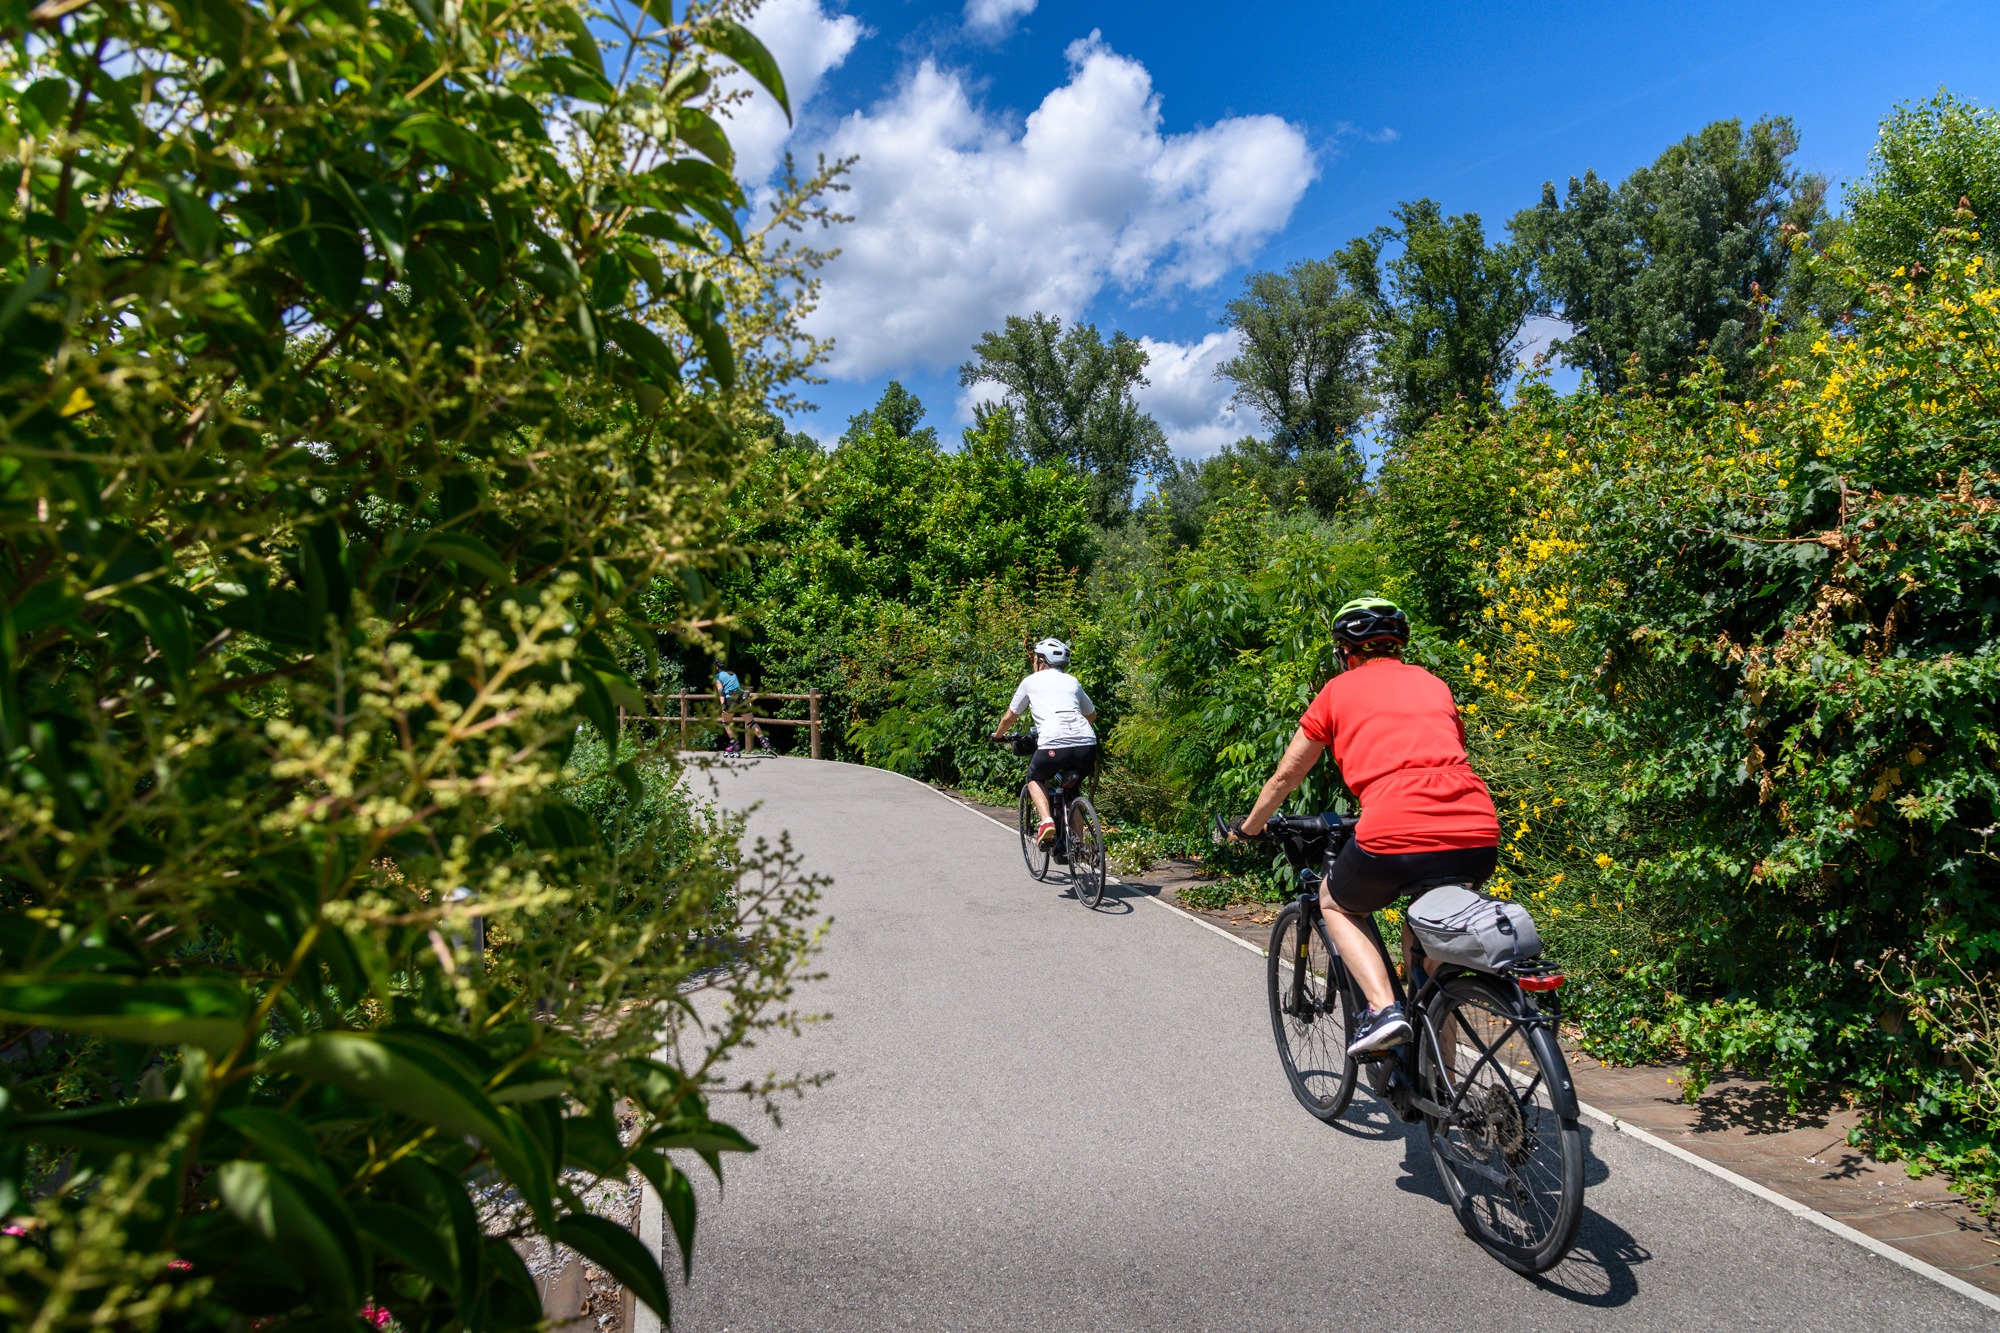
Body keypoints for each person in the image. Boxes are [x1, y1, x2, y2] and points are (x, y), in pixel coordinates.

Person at [1229, 598, 1500, 1057]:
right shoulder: (1434, 684)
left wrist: (1250, 827)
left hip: (1395, 827)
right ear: (1398, 645)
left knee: (1333, 901)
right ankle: (1442, 1087)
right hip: (1476, 829)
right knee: (1430, 963)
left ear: (1345, 651)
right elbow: (1452, 750)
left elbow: (1287, 774)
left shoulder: (1338, 690)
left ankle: (1382, 1010)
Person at [991, 638, 1097, 848]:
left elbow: (1010, 717)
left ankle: (1047, 821)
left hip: (1053, 742)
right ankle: (1080, 847)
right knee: (1072, 791)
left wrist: (997, 735)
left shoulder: (1031, 681)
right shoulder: (1072, 681)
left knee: (1035, 777)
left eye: (1034, 659)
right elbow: (1091, 715)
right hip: (1087, 744)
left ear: (1041, 660)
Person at [714, 667, 770, 754]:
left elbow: (721, 691)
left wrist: (723, 705)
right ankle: (764, 742)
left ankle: (734, 743)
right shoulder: (732, 673)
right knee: (751, 722)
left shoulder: (718, 677)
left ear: (717, 667)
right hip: (741, 698)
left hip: (731, 699)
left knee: (726, 722)